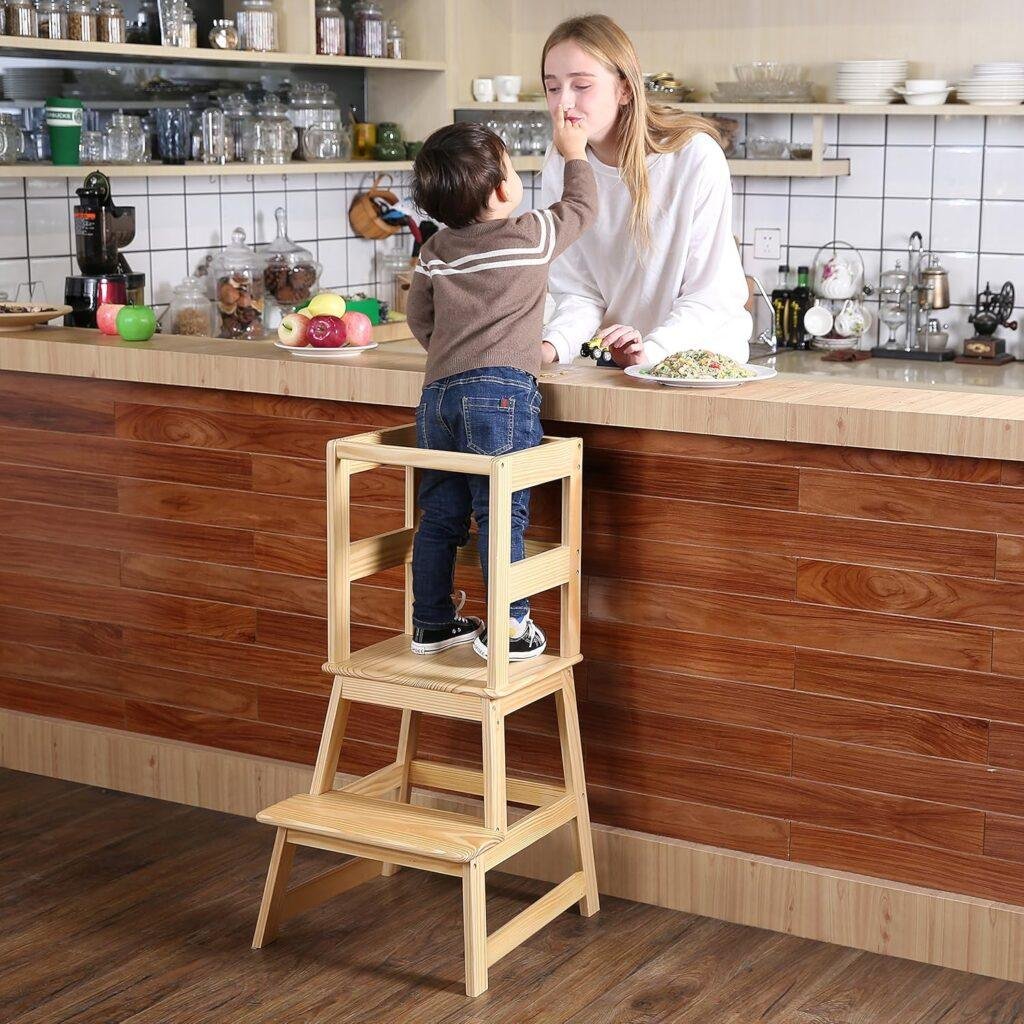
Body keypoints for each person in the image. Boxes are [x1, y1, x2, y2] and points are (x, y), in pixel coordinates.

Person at [405, 111, 596, 661]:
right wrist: (573, 151)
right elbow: (584, 208)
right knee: (499, 511)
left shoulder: (434, 252)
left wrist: (453, 353)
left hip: (437, 397)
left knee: (440, 512)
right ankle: (508, 626)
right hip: (503, 397)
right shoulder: (531, 235)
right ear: (500, 188)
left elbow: (420, 320)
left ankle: (432, 623)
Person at [539, 14, 752, 369]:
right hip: (621, 361)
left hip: (700, 362)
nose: (564, 103)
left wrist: (650, 350)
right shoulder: (562, 163)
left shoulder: (693, 156)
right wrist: (552, 346)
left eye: (581, 85)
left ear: (624, 88)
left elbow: (710, 295)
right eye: (553, 87)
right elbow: (577, 291)